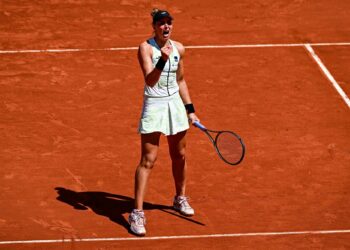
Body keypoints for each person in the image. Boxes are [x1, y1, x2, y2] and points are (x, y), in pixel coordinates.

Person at [128, 8, 200, 236]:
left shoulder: (179, 48)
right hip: (155, 105)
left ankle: (180, 198)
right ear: (154, 27)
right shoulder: (146, 48)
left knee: (179, 155)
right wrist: (163, 60)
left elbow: (181, 80)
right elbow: (150, 81)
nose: (166, 27)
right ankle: (137, 213)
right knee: (148, 160)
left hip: (175, 106)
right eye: (161, 23)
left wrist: (190, 110)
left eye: (169, 23)